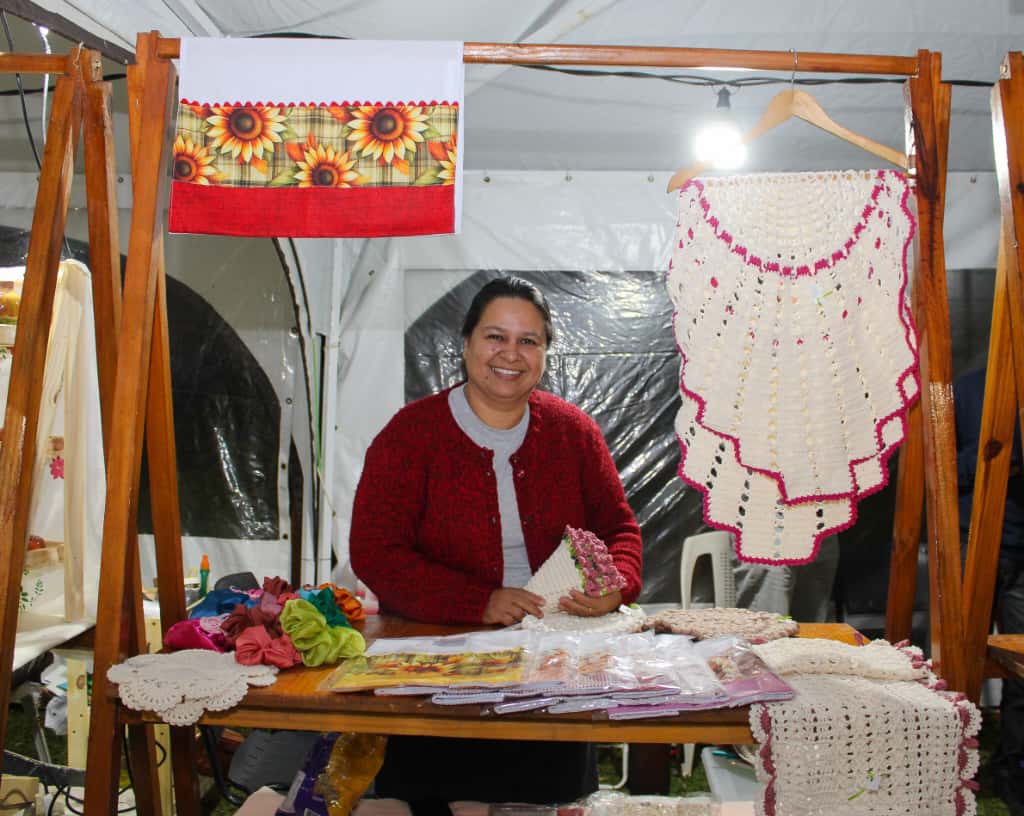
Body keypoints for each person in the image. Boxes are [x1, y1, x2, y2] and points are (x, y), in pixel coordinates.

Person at [350, 276, 643, 811]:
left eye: (528, 341)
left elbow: (619, 529)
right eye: (495, 337)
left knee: (539, 799)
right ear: (465, 345)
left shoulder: (573, 433)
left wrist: (616, 584)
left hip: (553, 655)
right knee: (438, 797)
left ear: (546, 354)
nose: (511, 354)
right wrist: (475, 601)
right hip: (438, 654)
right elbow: (375, 550)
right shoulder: (410, 435)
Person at [955, 365, 1024, 815]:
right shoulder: (966, 387)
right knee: (958, 661)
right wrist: (998, 456)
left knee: (1020, 666)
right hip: (972, 539)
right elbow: (942, 465)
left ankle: (1014, 768)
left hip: (1021, 545)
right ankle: (952, 763)